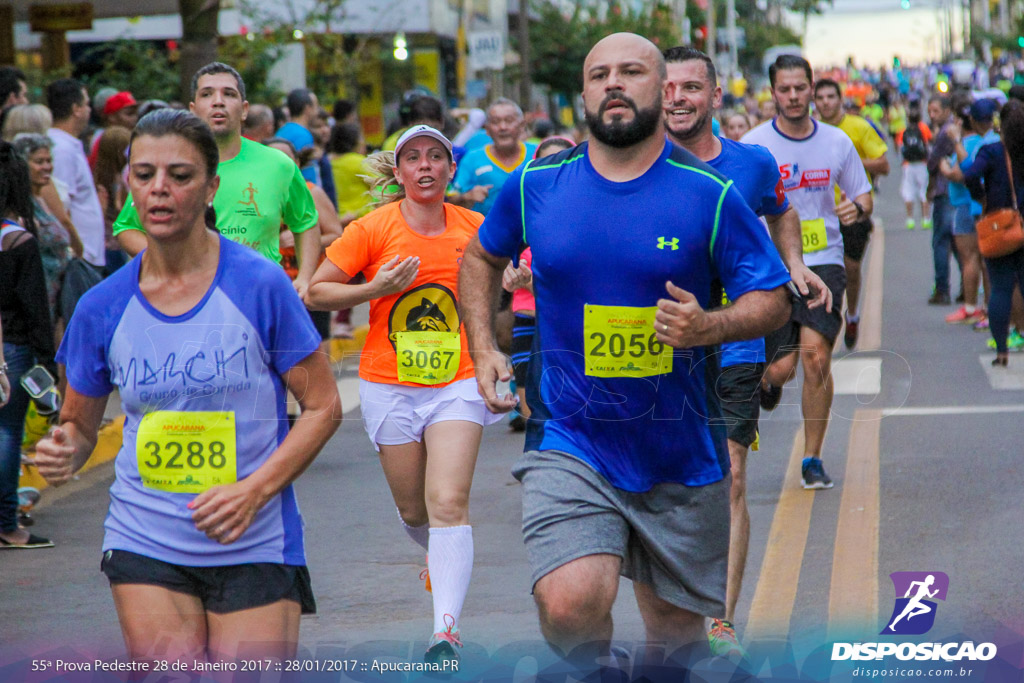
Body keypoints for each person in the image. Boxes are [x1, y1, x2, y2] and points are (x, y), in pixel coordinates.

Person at [459, 33, 791, 674]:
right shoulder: (537, 184)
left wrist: (708, 326)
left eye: (631, 71)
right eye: (599, 74)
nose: (613, 83)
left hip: (678, 446)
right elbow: (480, 254)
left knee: (676, 640)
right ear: (583, 94)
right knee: (568, 602)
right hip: (571, 436)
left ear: (661, 89)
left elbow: (773, 298)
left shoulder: (707, 193)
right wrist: (482, 346)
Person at [33, 109, 341, 664]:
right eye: (144, 174)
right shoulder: (101, 307)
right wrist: (66, 450)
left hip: (253, 537)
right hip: (144, 535)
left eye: (179, 175)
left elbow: (322, 407)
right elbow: (78, 426)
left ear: (211, 185)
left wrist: (255, 490)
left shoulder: (260, 286)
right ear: (128, 184)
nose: (159, 190)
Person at [306, 125, 502, 666]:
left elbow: (503, 278)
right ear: (398, 172)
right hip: (388, 382)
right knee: (414, 508)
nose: (424, 166)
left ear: (449, 170)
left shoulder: (476, 227)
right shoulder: (372, 228)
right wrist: (376, 289)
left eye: (435, 157)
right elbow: (317, 290)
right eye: (412, 158)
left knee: (447, 503)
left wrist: (513, 280)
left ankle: (446, 632)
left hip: (457, 381)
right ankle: (440, 557)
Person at [662, 45, 831, 657]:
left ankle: (720, 616)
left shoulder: (752, 163)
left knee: (731, 474)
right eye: (667, 88)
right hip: (655, 350)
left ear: (714, 98)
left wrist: (794, 266)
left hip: (733, 341)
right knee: (667, 482)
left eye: (690, 88)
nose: (676, 98)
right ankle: (673, 603)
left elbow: (781, 212)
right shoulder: (631, 163)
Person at [743, 55, 873, 490]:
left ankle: (812, 458)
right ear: (773, 92)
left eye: (801, 88)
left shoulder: (837, 142)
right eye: (785, 89)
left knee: (816, 356)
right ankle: (768, 380)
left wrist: (856, 208)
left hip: (824, 261)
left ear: (812, 89)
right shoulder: (754, 145)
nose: (794, 96)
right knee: (780, 370)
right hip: (770, 268)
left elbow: (864, 197)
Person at [114, 62, 321, 299]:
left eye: (229, 94)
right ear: (193, 109)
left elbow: (306, 222)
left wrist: (304, 280)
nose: (218, 101)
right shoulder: (169, 165)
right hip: (190, 297)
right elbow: (126, 227)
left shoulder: (279, 164)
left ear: (244, 110)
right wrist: (172, 263)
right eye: (207, 94)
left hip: (259, 297)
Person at [0, 140, 56, 549]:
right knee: (6, 432)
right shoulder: (18, 242)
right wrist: (48, 363)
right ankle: (6, 524)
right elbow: (36, 309)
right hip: (12, 348)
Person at [501, 136, 578, 427]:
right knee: (531, 411)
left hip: (570, 327)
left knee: (566, 409)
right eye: (547, 162)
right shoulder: (519, 213)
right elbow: (495, 265)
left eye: (563, 160)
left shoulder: (589, 214)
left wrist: (532, 285)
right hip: (528, 321)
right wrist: (510, 282)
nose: (555, 170)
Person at [813, 78, 890, 349]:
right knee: (820, 268)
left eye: (830, 97)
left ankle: (853, 313)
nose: (825, 102)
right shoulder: (810, 131)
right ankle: (821, 321)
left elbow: (883, 164)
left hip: (853, 209)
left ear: (840, 99)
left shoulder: (858, 127)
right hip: (819, 213)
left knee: (851, 267)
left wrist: (851, 160)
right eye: (820, 97)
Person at [962, 99, 1024, 367]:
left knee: (1000, 289)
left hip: (1001, 226)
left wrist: (983, 199)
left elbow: (970, 175)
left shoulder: (992, 151)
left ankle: (1001, 351)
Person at [940, 99, 1000, 326]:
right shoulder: (987, 140)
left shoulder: (983, 142)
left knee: (977, 260)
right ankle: (984, 309)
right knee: (984, 261)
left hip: (979, 207)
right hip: (978, 206)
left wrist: (947, 163)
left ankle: (977, 308)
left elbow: (967, 173)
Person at [11, 134, 74, 324]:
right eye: (39, 161)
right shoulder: (19, 205)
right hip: (33, 307)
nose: (47, 166)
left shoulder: (42, 199)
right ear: (22, 164)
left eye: (49, 160)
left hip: (55, 302)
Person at [46, 78, 106, 270]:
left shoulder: (67, 144)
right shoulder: (61, 149)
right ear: (76, 109)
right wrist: (77, 250)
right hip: (80, 257)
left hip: (88, 253)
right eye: (87, 104)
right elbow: (62, 205)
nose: (89, 110)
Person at [451, 99, 536, 214]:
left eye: (509, 121)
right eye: (495, 122)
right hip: (484, 229)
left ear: (522, 125)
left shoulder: (537, 154)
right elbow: (451, 198)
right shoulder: (472, 158)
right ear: (487, 129)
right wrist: (467, 196)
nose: (502, 127)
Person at [925, 94, 959, 305]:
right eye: (930, 111)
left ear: (947, 110)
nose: (932, 115)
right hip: (953, 191)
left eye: (936, 110)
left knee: (941, 241)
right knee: (956, 241)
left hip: (944, 191)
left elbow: (932, 163)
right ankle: (966, 287)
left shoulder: (946, 132)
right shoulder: (952, 128)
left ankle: (942, 289)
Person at [92, 126, 131, 274]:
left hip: (102, 243)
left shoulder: (95, 179)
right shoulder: (123, 179)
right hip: (118, 245)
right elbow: (122, 210)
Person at [899, 101, 933, 230]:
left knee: (908, 191)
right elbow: (929, 141)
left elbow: (900, 146)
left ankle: (910, 219)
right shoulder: (923, 128)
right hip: (922, 163)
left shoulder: (904, 131)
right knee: (924, 190)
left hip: (908, 164)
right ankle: (926, 219)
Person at [277, 88, 322, 186]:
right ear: (307, 109)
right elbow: (307, 173)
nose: (317, 111)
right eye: (315, 106)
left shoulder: (282, 131)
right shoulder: (303, 135)